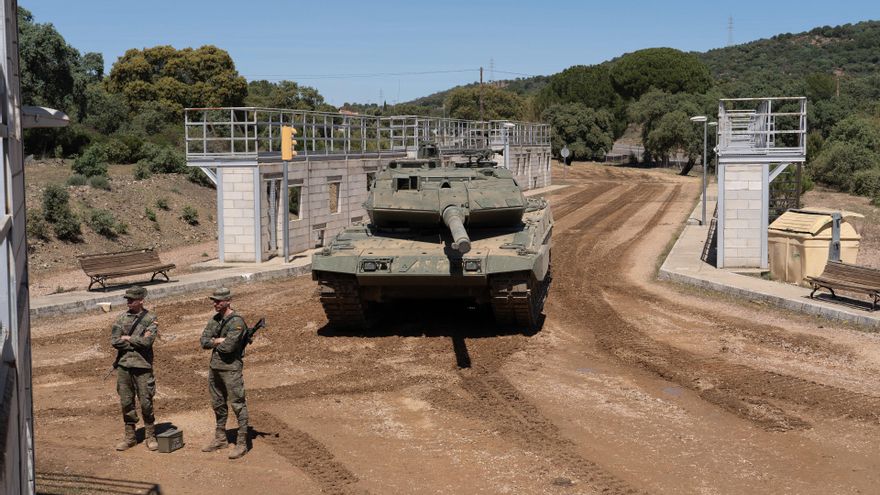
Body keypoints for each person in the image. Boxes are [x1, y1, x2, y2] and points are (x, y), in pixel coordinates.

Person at [199, 287, 250, 459]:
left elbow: (229, 348)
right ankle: (220, 438)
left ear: (228, 301)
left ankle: (242, 443)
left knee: (238, 404)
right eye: (214, 300)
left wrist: (216, 341)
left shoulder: (237, 322)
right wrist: (219, 340)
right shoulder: (215, 319)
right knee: (218, 404)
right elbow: (203, 341)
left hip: (231, 369)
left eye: (218, 301)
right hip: (215, 368)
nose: (215, 303)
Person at [110, 286, 159, 451]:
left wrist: (128, 338)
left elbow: (148, 342)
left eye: (132, 299)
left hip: (142, 366)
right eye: (127, 299)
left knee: (146, 402)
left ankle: (150, 435)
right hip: (124, 366)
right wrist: (136, 341)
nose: (128, 302)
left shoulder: (150, 318)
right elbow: (115, 341)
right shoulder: (121, 318)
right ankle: (130, 437)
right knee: (126, 402)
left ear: (141, 300)